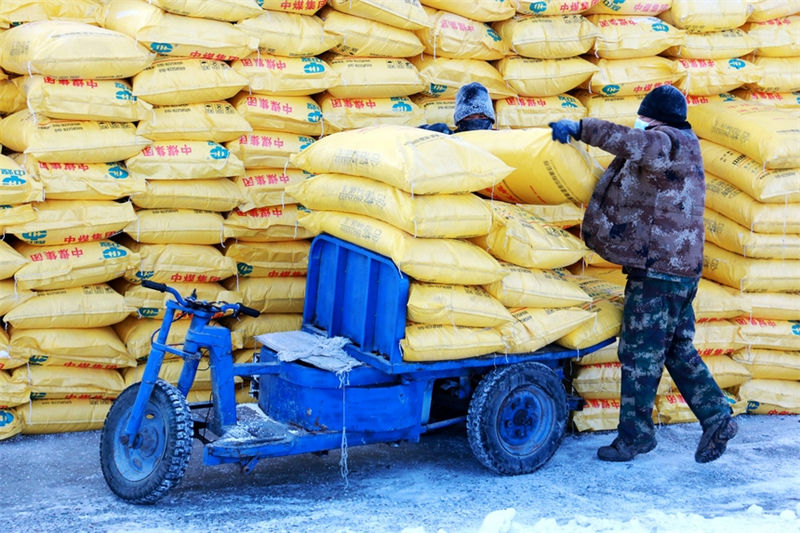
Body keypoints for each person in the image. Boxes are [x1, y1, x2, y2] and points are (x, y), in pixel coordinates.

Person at [548, 85, 737, 463]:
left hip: (659, 273)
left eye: (644, 118)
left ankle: (634, 437)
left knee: (639, 353)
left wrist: (582, 128)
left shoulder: (665, 142)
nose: (642, 124)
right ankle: (716, 416)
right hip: (680, 272)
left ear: (654, 118)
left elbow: (631, 142)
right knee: (675, 348)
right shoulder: (685, 144)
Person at [418, 81, 495, 134]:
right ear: (459, 120)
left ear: (491, 119)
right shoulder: (452, 139)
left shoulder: (500, 139)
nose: (476, 121)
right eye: (469, 117)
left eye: (482, 116)